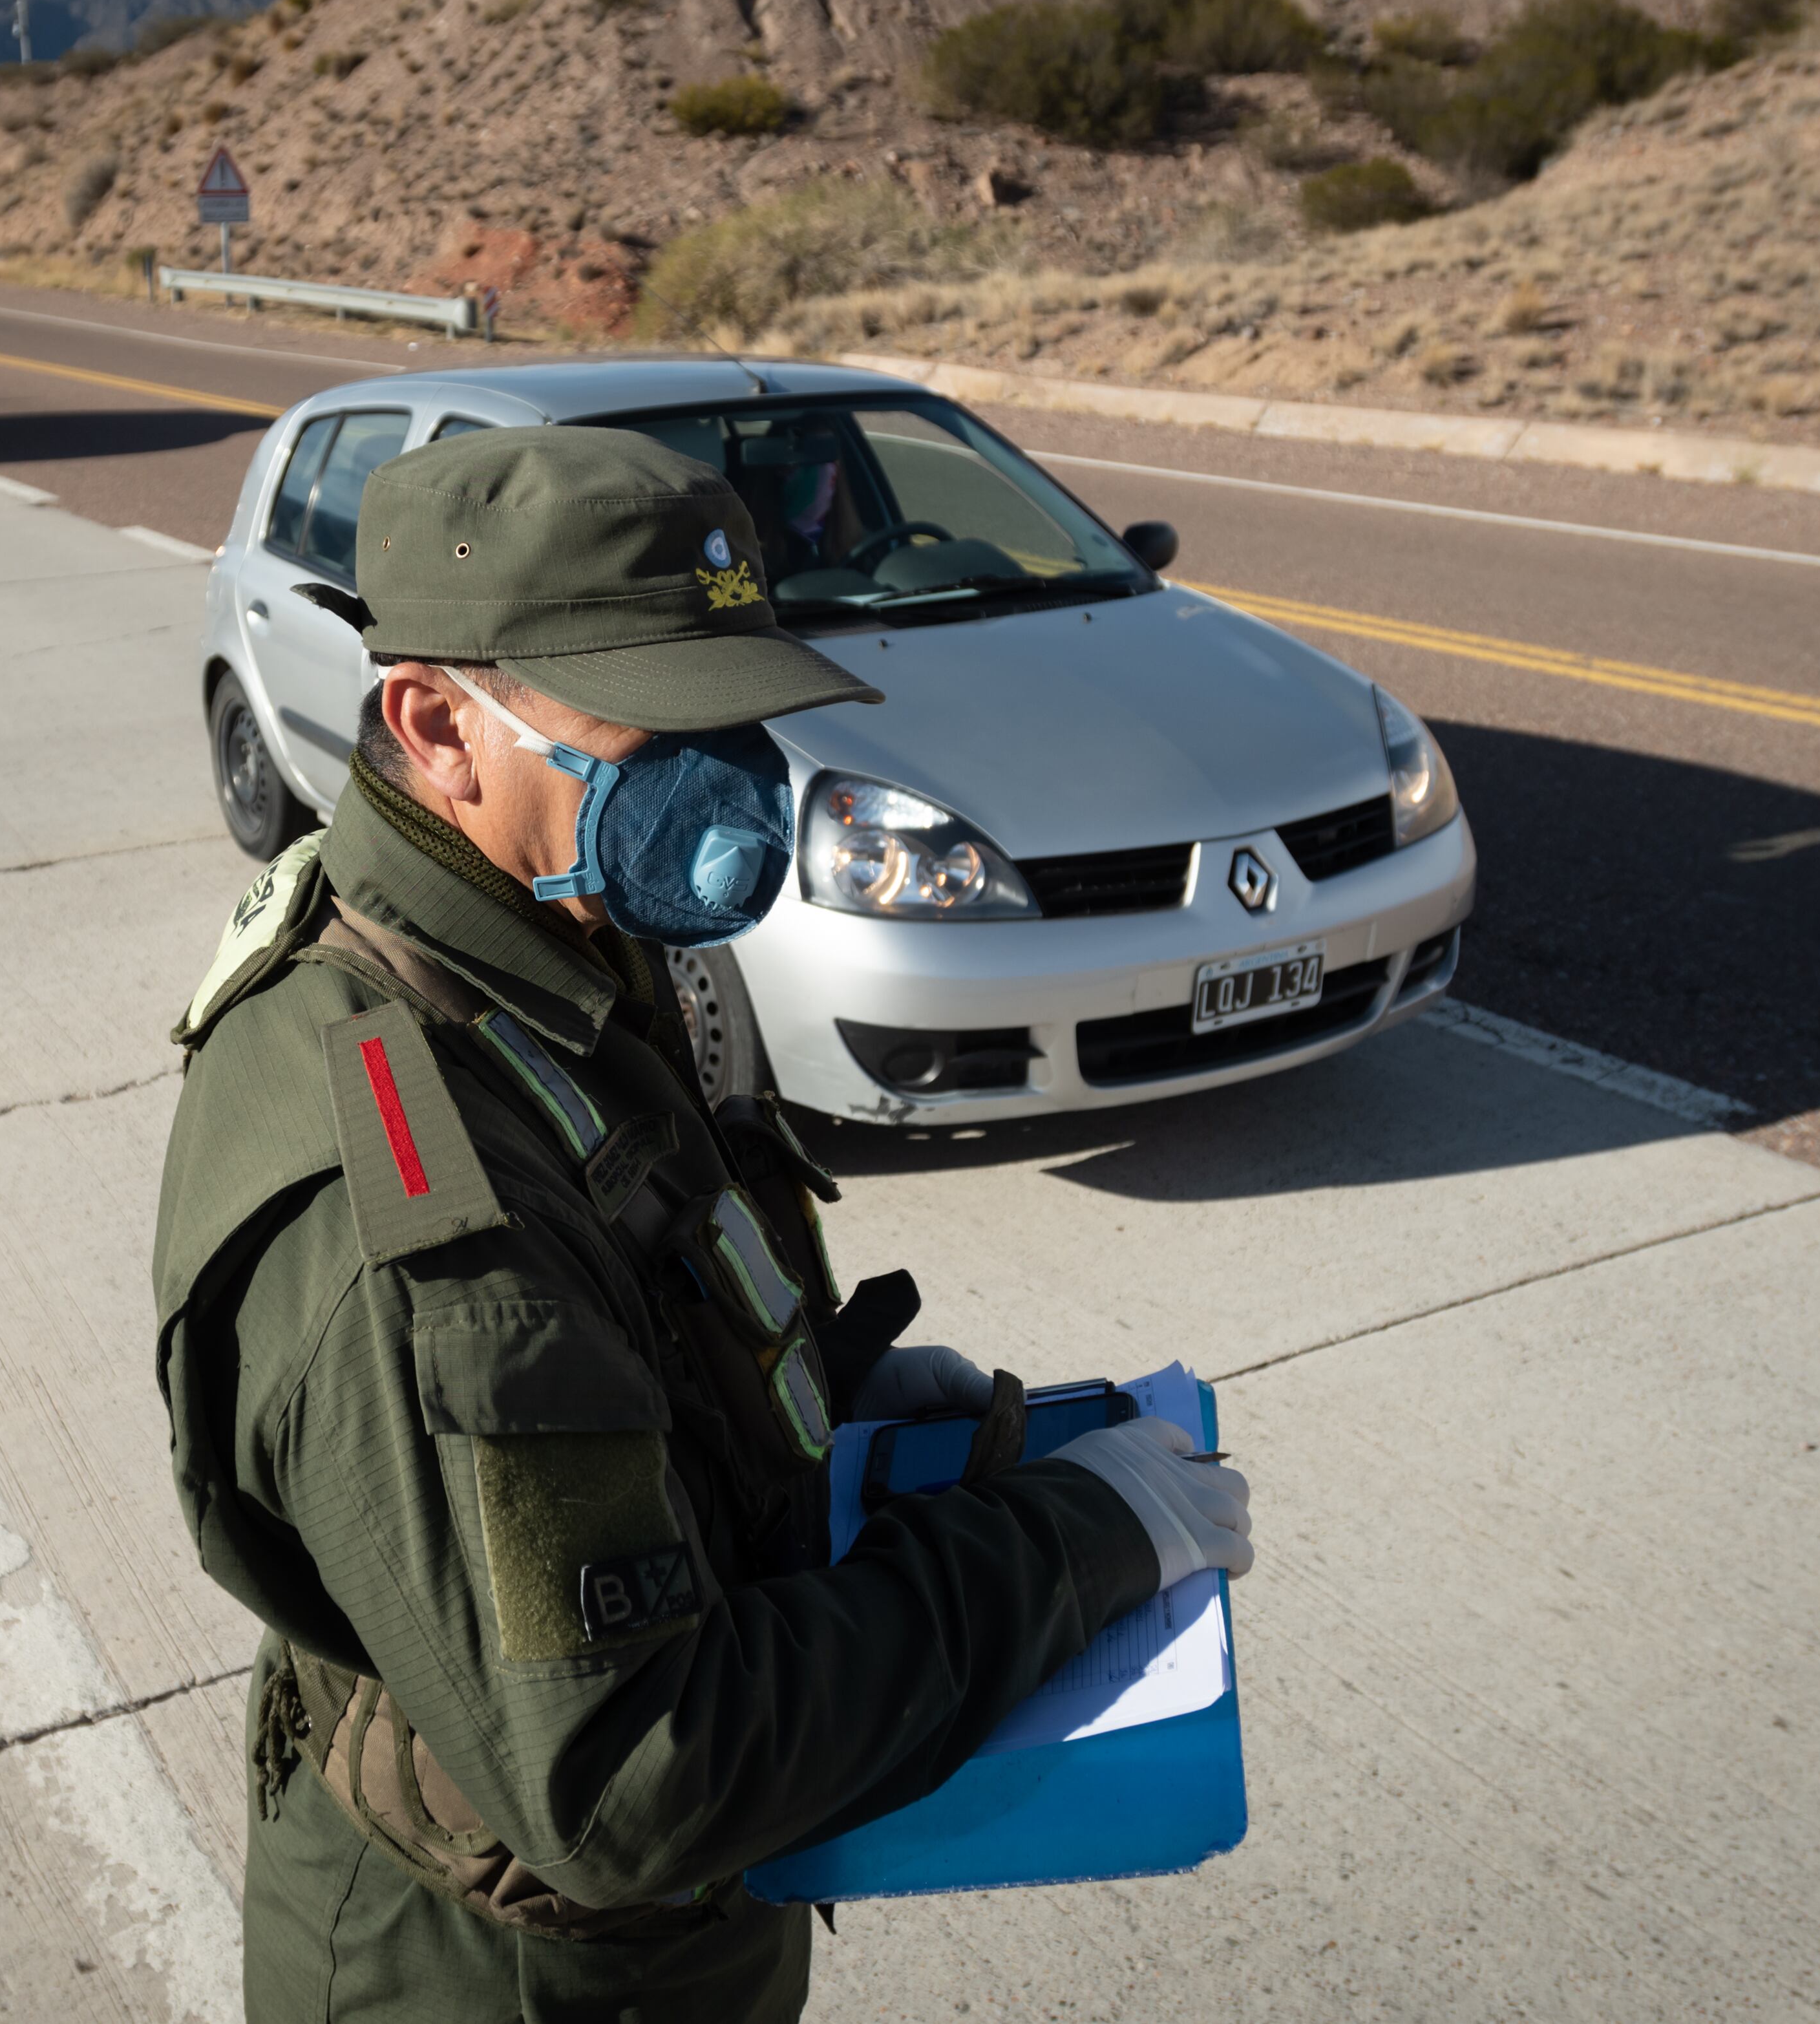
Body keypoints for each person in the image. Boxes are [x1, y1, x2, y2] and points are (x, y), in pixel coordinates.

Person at [151, 426, 1254, 2021]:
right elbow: (634, 1768)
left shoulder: (550, 928)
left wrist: (825, 1399)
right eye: (658, 724)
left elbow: (644, 1285)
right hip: (508, 1983)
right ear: (435, 723)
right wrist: (1072, 1546)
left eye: (736, 711)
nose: (728, 775)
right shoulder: (411, 1213)